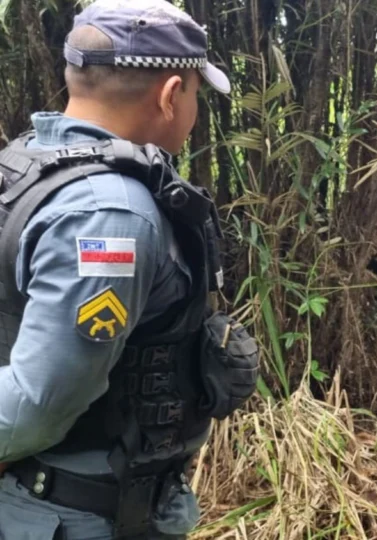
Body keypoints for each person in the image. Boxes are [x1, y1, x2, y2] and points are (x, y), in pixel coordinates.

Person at [0, 0, 259, 538]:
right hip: (78, 515)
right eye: (194, 93)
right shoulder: (111, 213)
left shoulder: (27, 163)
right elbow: (38, 406)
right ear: (170, 95)